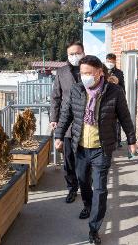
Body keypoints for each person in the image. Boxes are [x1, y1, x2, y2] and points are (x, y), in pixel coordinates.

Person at [54, 55, 137, 244]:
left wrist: (131, 140)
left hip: (101, 148)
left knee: (99, 189)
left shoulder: (114, 92)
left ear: (100, 72)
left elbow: (124, 117)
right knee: (83, 182)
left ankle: (94, 229)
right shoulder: (76, 90)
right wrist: (59, 136)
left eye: (89, 73)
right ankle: (88, 206)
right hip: (81, 148)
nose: (85, 77)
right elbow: (66, 115)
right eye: (82, 73)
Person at [50, 41, 84, 203]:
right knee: (69, 159)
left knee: (85, 159)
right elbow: (56, 97)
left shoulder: (90, 69)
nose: (74, 56)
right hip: (68, 123)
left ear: (83, 53)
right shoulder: (61, 72)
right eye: (71, 54)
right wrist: (54, 119)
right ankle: (72, 188)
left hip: (87, 123)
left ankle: (86, 186)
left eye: (77, 53)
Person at [105, 53, 125, 148]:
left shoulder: (119, 73)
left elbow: (123, 88)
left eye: (112, 61)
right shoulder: (102, 71)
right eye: (108, 61)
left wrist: (117, 83)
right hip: (105, 99)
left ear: (115, 61)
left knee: (117, 121)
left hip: (116, 100)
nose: (110, 63)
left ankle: (118, 140)